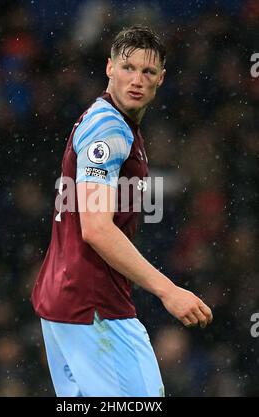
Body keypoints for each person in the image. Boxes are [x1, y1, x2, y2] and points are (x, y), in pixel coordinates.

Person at [31, 25, 213, 397]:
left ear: (161, 79)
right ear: (109, 68)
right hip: (93, 305)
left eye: (148, 72)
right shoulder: (109, 130)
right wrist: (168, 290)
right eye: (128, 67)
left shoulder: (110, 121)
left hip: (64, 299)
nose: (137, 79)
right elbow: (96, 229)